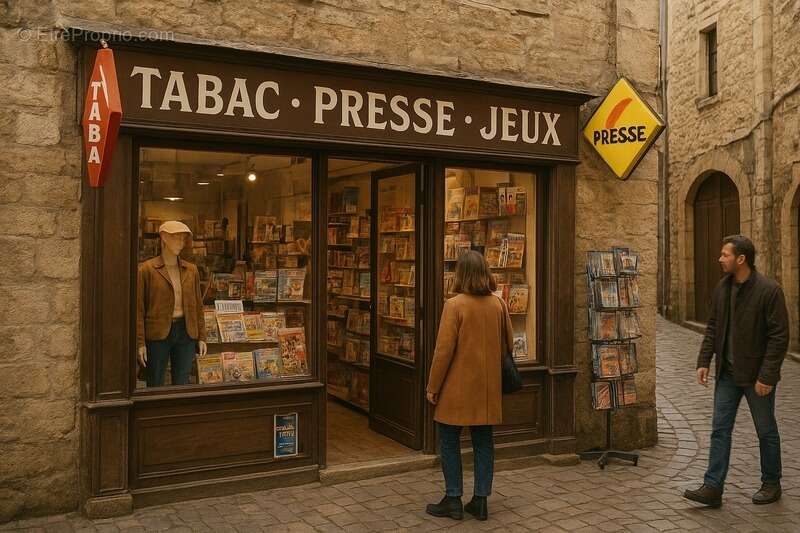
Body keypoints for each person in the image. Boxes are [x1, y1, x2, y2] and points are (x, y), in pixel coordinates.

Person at [683, 235, 788, 508]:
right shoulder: (722, 288)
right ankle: (712, 487)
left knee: (765, 431)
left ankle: (771, 482)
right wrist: (704, 360)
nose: (720, 259)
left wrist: (767, 376)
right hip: (727, 375)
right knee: (720, 430)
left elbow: (779, 337)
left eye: (725, 255)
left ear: (741, 259)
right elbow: (714, 326)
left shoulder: (769, 290)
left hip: (756, 377)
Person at [425, 250, 513, 521]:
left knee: (449, 441)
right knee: (484, 442)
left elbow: (443, 351)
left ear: (460, 274)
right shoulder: (498, 304)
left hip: (456, 388)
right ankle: (481, 499)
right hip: (487, 389)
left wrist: (432, 386)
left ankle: (453, 498)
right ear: (485, 272)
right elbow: (509, 345)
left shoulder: (455, 305)